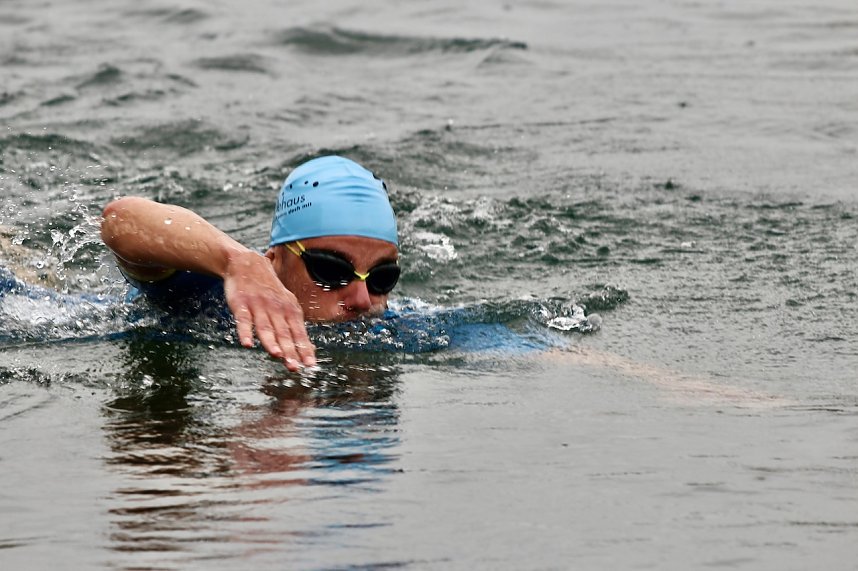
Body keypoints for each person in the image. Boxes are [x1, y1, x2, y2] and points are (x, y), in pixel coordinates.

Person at [100, 156, 401, 372]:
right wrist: (237, 263)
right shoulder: (205, 298)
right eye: (332, 270)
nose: (362, 299)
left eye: (381, 277)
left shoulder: (402, 330)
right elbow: (119, 220)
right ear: (275, 260)